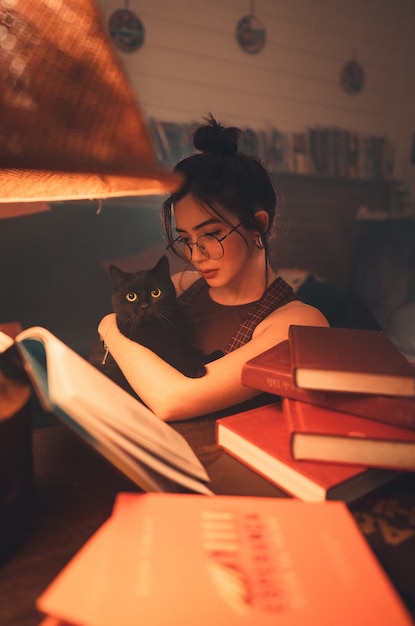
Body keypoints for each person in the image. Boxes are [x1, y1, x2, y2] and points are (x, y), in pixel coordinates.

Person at [98, 116, 328, 421]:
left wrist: (108, 326)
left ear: (258, 225)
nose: (196, 255)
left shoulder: (299, 324)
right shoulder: (182, 287)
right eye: (186, 239)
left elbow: (172, 399)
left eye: (211, 234)